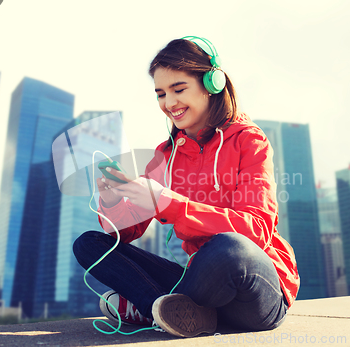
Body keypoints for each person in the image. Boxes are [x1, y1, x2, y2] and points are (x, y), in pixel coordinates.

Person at [73, 36, 300, 338]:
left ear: (212, 84)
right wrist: (115, 201)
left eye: (179, 89)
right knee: (89, 244)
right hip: (200, 286)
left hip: (254, 287)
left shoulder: (249, 140)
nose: (169, 103)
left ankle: (149, 308)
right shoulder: (165, 156)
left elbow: (256, 230)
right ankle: (168, 310)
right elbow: (123, 236)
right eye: (161, 94)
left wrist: (167, 202)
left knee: (229, 248)